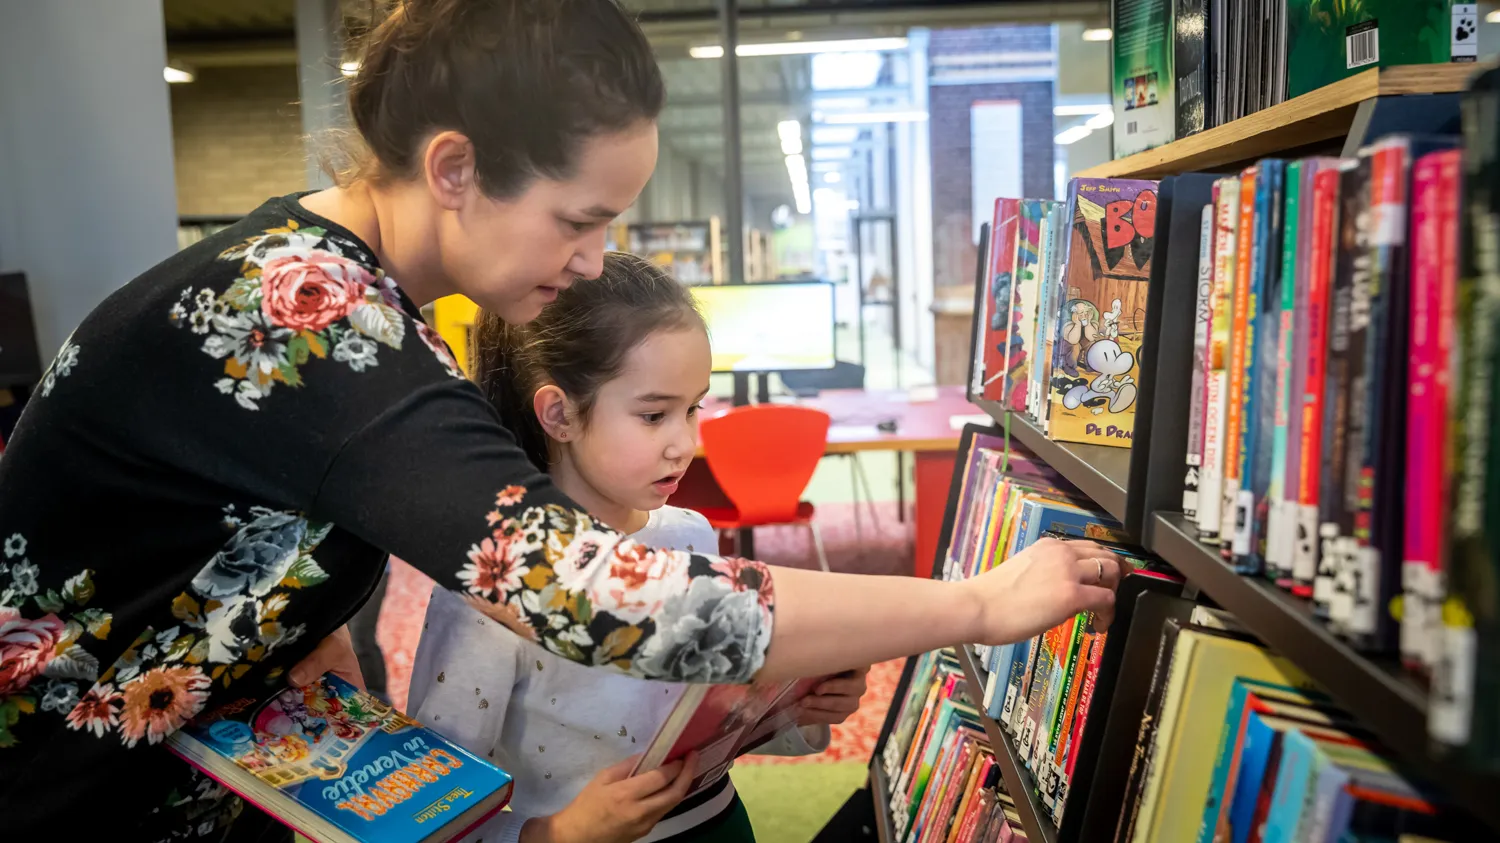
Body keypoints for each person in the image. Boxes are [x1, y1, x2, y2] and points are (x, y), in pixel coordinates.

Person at [0, 1, 1123, 838]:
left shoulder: (362, 304)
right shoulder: (305, 317)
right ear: (454, 169)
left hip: (201, 762)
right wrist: (974, 602)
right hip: (72, 790)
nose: (591, 261)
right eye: (577, 220)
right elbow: (596, 600)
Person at [409, 253, 871, 843]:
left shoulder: (689, 534)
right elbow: (431, 814)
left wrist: (801, 706)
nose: (686, 443)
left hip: (720, 823)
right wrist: (556, 834)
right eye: (654, 415)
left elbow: (695, 718)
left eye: (694, 407)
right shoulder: (491, 587)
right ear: (559, 414)